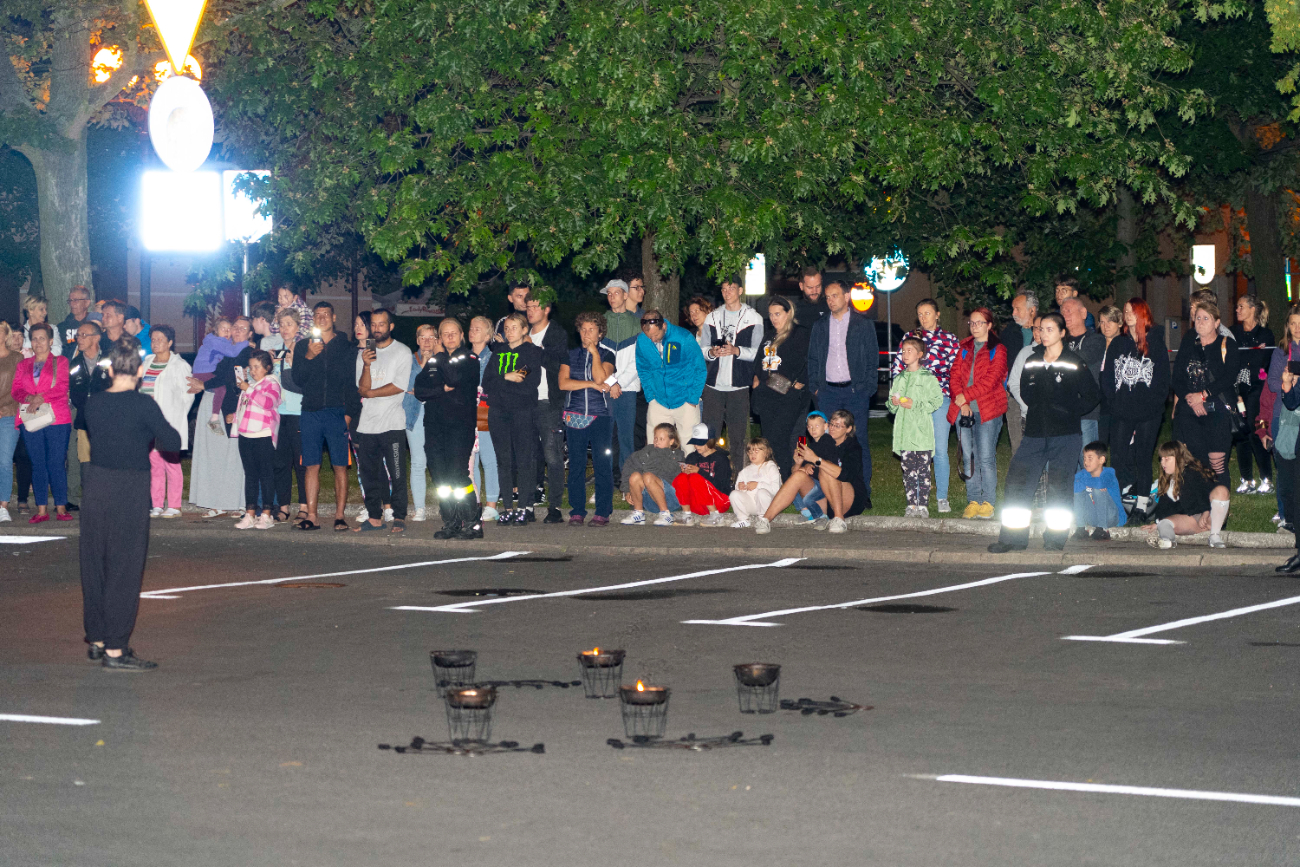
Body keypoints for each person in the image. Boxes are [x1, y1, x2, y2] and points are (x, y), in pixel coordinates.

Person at [80, 340, 182, 671]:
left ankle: (96, 638)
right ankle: (115, 649)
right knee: (124, 566)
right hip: (129, 487)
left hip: (96, 484)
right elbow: (173, 441)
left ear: (109, 370)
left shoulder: (93, 403)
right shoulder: (143, 405)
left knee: (95, 562)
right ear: (139, 371)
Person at [988, 313, 1100, 553]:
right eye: (1041, 329)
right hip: (1035, 433)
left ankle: (1055, 539)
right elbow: (1026, 393)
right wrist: (1039, 408)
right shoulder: (1032, 360)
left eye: (1050, 329)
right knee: (1017, 483)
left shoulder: (1073, 361)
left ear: (1062, 333)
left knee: (1059, 488)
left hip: (1066, 435)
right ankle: (1013, 539)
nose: (1043, 333)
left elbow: (1092, 395)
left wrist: (1068, 411)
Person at [806, 280, 877, 506]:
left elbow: (872, 358)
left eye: (834, 296)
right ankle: (826, 493)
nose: (830, 300)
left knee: (859, 441)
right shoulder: (820, 325)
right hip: (828, 391)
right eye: (827, 297)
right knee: (826, 441)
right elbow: (813, 358)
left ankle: (861, 491)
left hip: (855, 391)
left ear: (847, 297)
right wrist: (816, 386)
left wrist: (867, 388)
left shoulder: (862, 325)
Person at [414, 318, 483, 539]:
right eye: (445, 333)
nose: (450, 337)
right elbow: (420, 390)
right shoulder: (434, 361)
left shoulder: (469, 358)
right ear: (440, 337)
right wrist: (441, 389)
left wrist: (441, 357)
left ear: (462, 335)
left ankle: (473, 523)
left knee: (458, 475)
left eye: (454, 333)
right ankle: (451, 522)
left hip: (459, 426)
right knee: (440, 477)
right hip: (434, 426)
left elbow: (453, 378)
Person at [293, 301, 359, 531]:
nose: (321, 318)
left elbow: (352, 383)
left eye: (325, 314)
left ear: (334, 318)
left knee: (340, 466)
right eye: (317, 315)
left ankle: (340, 515)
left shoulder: (347, 346)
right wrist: (309, 357)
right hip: (310, 411)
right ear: (313, 319)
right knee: (311, 465)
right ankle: (312, 515)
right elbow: (298, 379)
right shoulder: (303, 346)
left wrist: (350, 414)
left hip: (337, 412)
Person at [891, 297, 960, 512]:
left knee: (938, 448)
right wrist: (898, 395)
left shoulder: (949, 339)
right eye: (920, 314)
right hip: (911, 402)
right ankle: (915, 500)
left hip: (938, 400)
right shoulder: (909, 338)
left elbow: (956, 371)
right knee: (912, 449)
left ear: (938, 314)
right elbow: (897, 368)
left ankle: (941, 497)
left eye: (927, 313)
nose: (923, 317)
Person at [1104, 299, 1170, 506]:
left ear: (1143, 313)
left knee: (1143, 457)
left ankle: (1142, 505)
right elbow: (1107, 377)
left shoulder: (1156, 344)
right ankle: (1116, 503)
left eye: (1132, 310)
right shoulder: (1118, 343)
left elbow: (1163, 380)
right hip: (1121, 410)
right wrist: (1115, 403)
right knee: (1118, 456)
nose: (1127, 313)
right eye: (1125, 310)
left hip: (1148, 412)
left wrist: (1151, 407)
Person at [353, 308, 411, 533]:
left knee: (397, 473)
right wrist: (367, 365)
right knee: (369, 475)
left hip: (392, 423)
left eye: (381, 324)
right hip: (368, 424)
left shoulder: (402, 352)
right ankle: (374, 517)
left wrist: (371, 393)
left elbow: (398, 386)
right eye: (374, 325)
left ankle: (399, 516)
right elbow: (361, 387)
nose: (376, 329)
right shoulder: (365, 352)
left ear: (391, 327)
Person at [483, 312, 543, 525]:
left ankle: (524, 507)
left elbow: (527, 382)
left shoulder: (532, 352)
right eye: (506, 328)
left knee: (524, 460)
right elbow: (487, 383)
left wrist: (502, 382)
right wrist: (506, 377)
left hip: (522, 411)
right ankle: (507, 507)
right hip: (498, 411)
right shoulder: (498, 351)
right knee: (504, 460)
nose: (509, 332)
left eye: (514, 327)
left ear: (525, 330)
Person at [700, 278, 763, 480]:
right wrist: (711, 352)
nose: (727, 292)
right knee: (711, 434)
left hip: (739, 385)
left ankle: (738, 477)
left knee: (737, 437)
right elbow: (702, 350)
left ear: (740, 290)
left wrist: (736, 350)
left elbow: (758, 352)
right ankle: (709, 476)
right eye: (724, 289)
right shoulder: (712, 316)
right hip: (713, 385)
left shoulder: (753, 317)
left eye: (732, 288)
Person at [186, 318, 249, 517]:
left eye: (242, 328)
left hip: (232, 406)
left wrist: (204, 385)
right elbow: (212, 371)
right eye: (234, 328)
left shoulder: (246, 352)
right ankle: (215, 501)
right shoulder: (224, 347)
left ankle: (237, 502)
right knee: (212, 454)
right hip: (212, 402)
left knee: (234, 455)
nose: (236, 331)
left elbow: (233, 379)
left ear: (250, 333)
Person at [949, 307, 1008, 519]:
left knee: (985, 458)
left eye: (979, 323)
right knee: (968, 457)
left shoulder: (998, 349)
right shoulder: (963, 348)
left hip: (988, 411)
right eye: (972, 323)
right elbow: (954, 376)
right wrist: (962, 402)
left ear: (989, 325)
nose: (974, 327)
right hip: (965, 411)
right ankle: (973, 500)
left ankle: (988, 502)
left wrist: (966, 396)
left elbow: (991, 381)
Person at [1172, 299, 1238, 488]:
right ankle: (1201, 507)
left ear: (1217, 323)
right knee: (1196, 462)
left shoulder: (1227, 345)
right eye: (1198, 318)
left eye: (1205, 318)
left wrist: (1203, 395)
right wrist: (1191, 399)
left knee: (1217, 463)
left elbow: (1228, 377)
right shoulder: (1188, 344)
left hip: (1217, 410)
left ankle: (1220, 505)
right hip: (1190, 410)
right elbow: (1176, 377)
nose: (1200, 322)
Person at [560, 311, 616, 526]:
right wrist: (592, 385)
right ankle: (577, 510)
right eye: (583, 329)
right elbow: (564, 383)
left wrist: (595, 354)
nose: (586, 333)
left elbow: (602, 377)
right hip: (574, 415)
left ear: (600, 333)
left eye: (591, 329)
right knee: (576, 464)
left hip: (601, 415)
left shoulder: (608, 355)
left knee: (602, 464)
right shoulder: (569, 355)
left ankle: (602, 511)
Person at [12, 322, 71, 523]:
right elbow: (16, 389)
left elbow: (62, 386)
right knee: (38, 463)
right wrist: (30, 398)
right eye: (34, 338)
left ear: (51, 341)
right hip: (31, 417)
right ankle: (42, 509)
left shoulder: (61, 361)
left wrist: (40, 397)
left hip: (57, 418)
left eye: (42, 338)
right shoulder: (23, 364)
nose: (38, 342)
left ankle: (61, 508)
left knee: (56, 463)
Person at [752, 296, 811, 477]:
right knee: (770, 439)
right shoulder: (769, 335)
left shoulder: (798, 333)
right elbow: (758, 362)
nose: (774, 318)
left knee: (787, 438)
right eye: (771, 315)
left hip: (788, 396)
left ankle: (791, 478)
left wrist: (797, 383)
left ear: (788, 313)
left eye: (778, 314)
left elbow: (805, 360)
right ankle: (777, 478)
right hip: (767, 394)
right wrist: (756, 381)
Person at [636, 307, 707, 455]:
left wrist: (693, 398)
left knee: (690, 446)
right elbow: (643, 370)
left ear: (663, 326)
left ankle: (691, 477)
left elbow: (700, 369)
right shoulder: (643, 340)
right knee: (654, 445)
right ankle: (657, 477)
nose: (653, 340)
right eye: (649, 336)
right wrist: (651, 397)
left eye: (655, 335)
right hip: (658, 401)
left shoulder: (683, 337)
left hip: (685, 400)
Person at [141, 325, 193, 518]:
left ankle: (175, 505)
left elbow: (188, 396)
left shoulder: (180, 366)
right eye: (153, 339)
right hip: (147, 423)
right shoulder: (146, 362)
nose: (156, 343)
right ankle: (156, 504)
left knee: (171, 463)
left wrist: (176, 417)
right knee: (154, 464)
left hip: (168, 423)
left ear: (170, 343)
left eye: (160, 339)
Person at [526, 291, 569, 522]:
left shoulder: (556, 333)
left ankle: (554, 508)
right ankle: (529, 505)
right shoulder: (523, 332)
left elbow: (557, 364)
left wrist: (535, 349)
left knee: (552, 455)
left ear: (546, 309)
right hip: (525, 402)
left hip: (549, 401)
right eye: (528, 306)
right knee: (530, 455)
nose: (530, 310)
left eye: (535, 306)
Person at [888, 336, 944, 518]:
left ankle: (923, 505)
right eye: (903, 351)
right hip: (904, 434)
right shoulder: (899, 378)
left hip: (921, 434)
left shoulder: (927, 378)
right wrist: (894, 402)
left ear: (920, 354)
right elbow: (891, 406)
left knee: (923, 471)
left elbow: (937, 400)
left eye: (909, 350)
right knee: (908, 471)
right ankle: (911, 504)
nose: (905, 354)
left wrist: (916, 404)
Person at [1144, 441, 1230, 549]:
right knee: (1164, 523)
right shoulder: (1168, 480)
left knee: (1222, 490)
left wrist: (1206, 510)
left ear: (1179, 458)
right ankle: (1167, 541)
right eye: (1161, 459)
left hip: (1208, 515)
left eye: (1167, 459)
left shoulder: (1192, 472)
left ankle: (1215, 536)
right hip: (1191, 519)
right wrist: (1158, 523)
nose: (1162, 463)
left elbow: (1203, 492)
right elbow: (1165, 506)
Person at [233, 350, 282, 530]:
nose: (252, 371)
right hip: (246, 435)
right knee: (250, 475)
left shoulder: (272, 383)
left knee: (266, 475)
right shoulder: (250, 385)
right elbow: (246, 407)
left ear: (267, 367)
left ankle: (267, 514)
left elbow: (268, 403)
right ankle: (250, 513)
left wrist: (249, 389)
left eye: (257, 367)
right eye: (251, 367)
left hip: (263, 435)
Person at [600, 279, 641, 487]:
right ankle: (604, 483)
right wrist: (610, 382)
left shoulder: (636, 323)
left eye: (616, 293)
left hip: (629, 389)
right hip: (604, 388)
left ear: (626, 295)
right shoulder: (600, 322)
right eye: (609, 293)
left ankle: (627, 484)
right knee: (605, 439)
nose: (611, 296)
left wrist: (619, 383)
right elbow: (596, 359)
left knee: (626, 439)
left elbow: (638, 361)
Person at [66, 320, 111, 508]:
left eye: (84, 335)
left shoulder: (110, 359)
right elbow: (72, 390)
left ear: (96, 338)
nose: (79, 339)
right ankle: (85, 499)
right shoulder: (75, 363)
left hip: (108, 418)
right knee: (84, 460)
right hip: (84, 418)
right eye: (78, 335)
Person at [1232, 295, 1274, 496]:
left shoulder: (1266, 334)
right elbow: (1232, 359)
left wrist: (1248, 355)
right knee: (1240, 430)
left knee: (1255, 427)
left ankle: (1267, 477)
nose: (1237, 309)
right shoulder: (1234, 333)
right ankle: (1247, 478)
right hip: (1237, 390)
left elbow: (1260, 363)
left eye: (1241, 306)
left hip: (1257, 389)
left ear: (1252, 309)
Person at [269, 309, 307, 522]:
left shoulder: (306, 349)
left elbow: (308, 382)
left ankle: (304, 506)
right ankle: (283, 506)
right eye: (282, 324)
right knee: (280, 462)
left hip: (300, 413)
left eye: (289, 324)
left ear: (298, 326)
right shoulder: (277, 351)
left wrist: (294, 363)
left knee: (301, 463)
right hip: (278, 415)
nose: (285, 329)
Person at [1266, 305, 1300, 528]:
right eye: (1293, 324)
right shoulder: (1281, 352)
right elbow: (1272, 383)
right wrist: (1287, 383)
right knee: (1285, 468)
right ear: (1287, 326)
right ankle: (1285, 515)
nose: (1297, 329)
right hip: (1284, 417)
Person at [404, 323, 441, 522]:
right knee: (419, 462)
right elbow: (408, 388)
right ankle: (420, 508)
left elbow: (444, 388)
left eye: (431, 337)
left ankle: (447, 506)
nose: (427, 341)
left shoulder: (444, 359)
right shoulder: (409, 360)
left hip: (439, 415)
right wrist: (423, 367)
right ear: (417, 340)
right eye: (423, 337)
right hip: (415, 415)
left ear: (436, 339)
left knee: (439, 462)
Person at [1061, 297, 1105, 457]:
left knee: (1087, 460)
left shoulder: (1096, 340)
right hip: (1063, 409)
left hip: (1086, 411)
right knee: (1067, 461)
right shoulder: (1060, 342)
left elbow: (1079, 362)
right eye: (1062, 312)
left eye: (1069, 311)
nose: (1064, 315)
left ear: (1083, 313)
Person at [619, 422, 686, 526]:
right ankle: (638, 513)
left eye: (661, 439)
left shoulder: (677, 455)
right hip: (650, 501)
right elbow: (629, 465)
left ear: (671, 441)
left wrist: (656, 455)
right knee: (635, 476)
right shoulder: (647, 451)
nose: (657, 442)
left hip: (671, 500)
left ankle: (666, 515)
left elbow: (666, 473)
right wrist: (627, 490)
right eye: (655, 438)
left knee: (648, 476)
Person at [468, 316, 501, 521]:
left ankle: (491, 504)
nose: (472, 331)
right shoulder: (464, 357)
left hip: (485, 411)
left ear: (488, 335)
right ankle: (475, 502)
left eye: (478, 329)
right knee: (471, 460)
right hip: (467, 412)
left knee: (489, 458)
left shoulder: (494, 357)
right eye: (471, 328)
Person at [1001, 292, 1038, 454]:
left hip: (1038, 393)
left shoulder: (1046, 330)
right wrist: (1004, 387)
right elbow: (1000, 363)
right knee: (1017, 439)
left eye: (1018, 309)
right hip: (1013, 395)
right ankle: (1020, 476)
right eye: (1013, 309)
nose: (1013, 313)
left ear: (1032, 310)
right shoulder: (1009, 332)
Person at [673, 423, 732, 526]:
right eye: (695, 443)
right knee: (682, 477)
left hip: (719, 502)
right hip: (699, 504)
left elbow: (721, 485)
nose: (696, 446)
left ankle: (716, 516)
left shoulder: (721, 459)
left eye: (700, 443)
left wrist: (699, 472)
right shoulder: (692, 457)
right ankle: (687, 515)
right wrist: (685, 472)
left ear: (710, 441)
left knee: (695, 477)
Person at [1073, 441, 1126, 541]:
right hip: (1092, 517)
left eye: (1090, 458)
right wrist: (1090, 484)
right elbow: (1074, 487)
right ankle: (1080, 528)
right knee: (1078, 492)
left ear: (1101, 460)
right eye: (1084, 458)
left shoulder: (1109, 473)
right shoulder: (1084, 473)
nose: (1085, 462)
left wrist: (1087, 484)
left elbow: (1100, 483)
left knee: (1098, 490)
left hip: (1111, 517)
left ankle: (1103, 529)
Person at [729, 439, 781, 529]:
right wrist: (740, 487)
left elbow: (776, 489)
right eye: (750, 452)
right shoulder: (745, 471)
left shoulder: (771, 467)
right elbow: (738, 488)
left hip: (768, 504)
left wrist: (758, 485)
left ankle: (763, 520)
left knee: (761, 492)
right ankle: (743, 520)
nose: (753, 454)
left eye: (756, 451)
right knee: (734, 494)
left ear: (766, 452)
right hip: (751, 504)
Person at [1095, 304, 1124, 445]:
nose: (1105, 326)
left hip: (1118, 398)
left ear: (1119, 323)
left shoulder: (1125, 346)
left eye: (1110, 321)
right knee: (1100, 441)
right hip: (1099, 400)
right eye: (1102, 322)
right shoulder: (1096, 344)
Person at [0, 321, 19, 523]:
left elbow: (19, 389)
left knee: (4, 462)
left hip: (8, 415)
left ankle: (3, 505)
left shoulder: (16, 358)